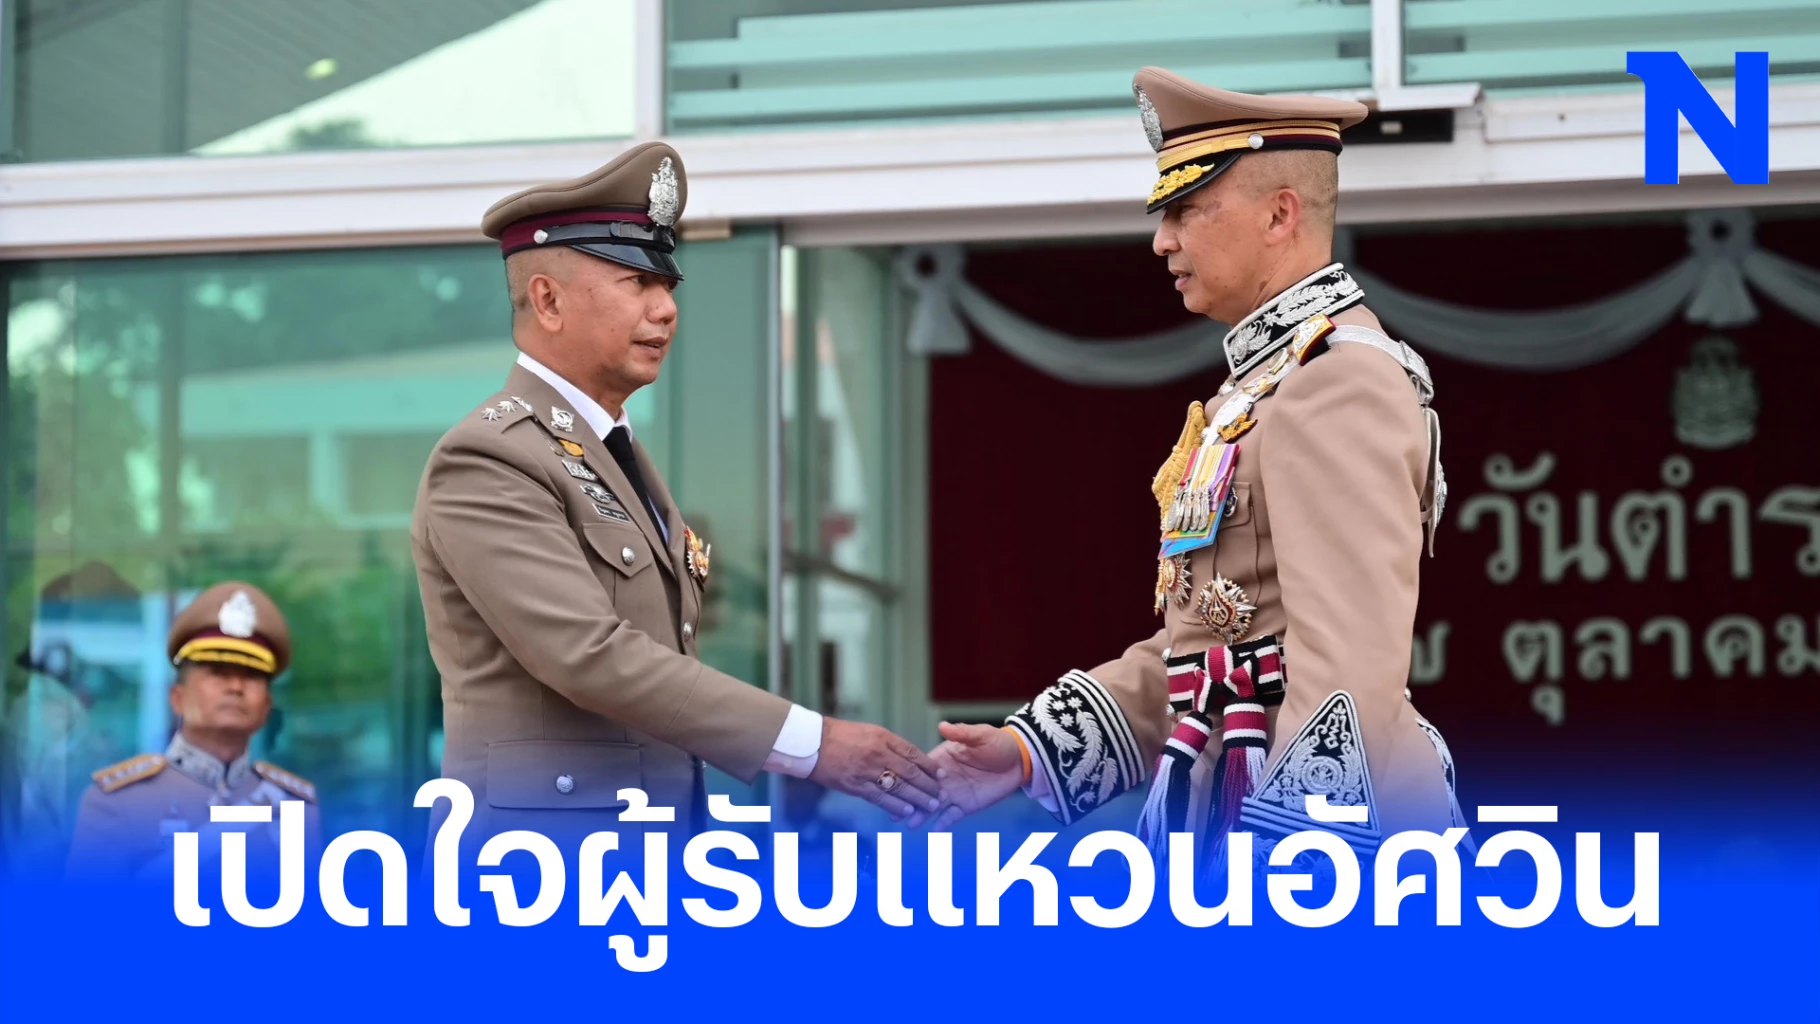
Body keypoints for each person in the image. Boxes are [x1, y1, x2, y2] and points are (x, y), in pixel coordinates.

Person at [924, 67, 1468, 860]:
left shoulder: (1336, 379)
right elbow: (1214, 655)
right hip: (1234, 810)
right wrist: (1029, 752)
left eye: (1186, 209)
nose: (1163, 239)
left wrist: (1299, 870)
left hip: (1318, 841)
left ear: (1280, 214)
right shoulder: (1266, 385)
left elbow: (1348, 669)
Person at [412, 142, 946, 846]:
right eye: (636, 282)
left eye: (667, 286)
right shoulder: (490, 457)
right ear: (548, 300)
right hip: (535, 873)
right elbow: (589, 655)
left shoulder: (607, 449)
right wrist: (815, 744)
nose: (665, 309)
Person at [66, 582, 320, 882]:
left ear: (266, 706)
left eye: (251, 676)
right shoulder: (119, 802)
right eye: (218, 673)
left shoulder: (293, 806)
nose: (235, 687)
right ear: (178, 698)